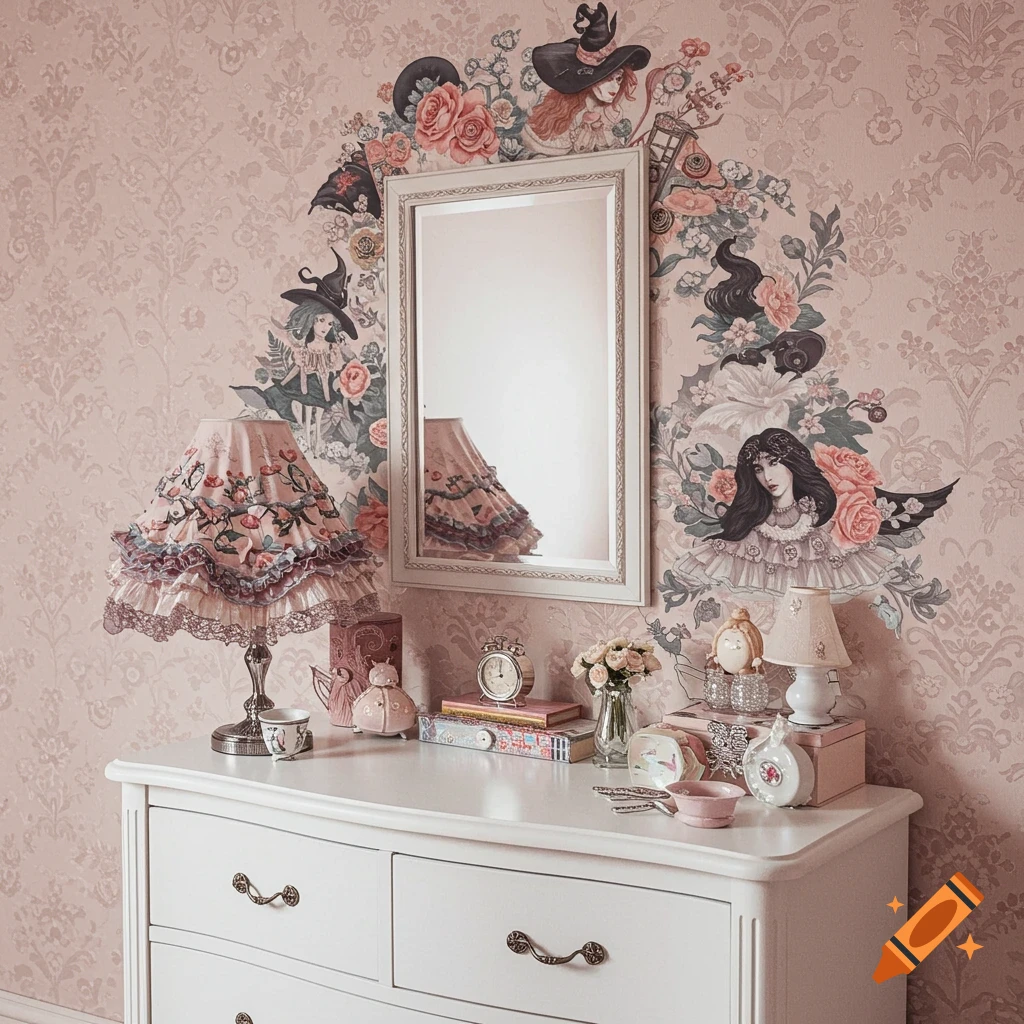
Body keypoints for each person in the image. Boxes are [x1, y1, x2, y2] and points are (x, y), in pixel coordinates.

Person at [674, 428, 897, 598]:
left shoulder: (817, 524)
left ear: (792, 464)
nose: (767, 477)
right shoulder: (752, 532)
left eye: (774, 463)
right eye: (759, 469)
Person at [523, 3, 649, 155]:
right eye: (607, 79)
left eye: (618, 79)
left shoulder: (611, 113)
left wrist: (597, 128)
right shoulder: (562, 111)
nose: (614, 88)